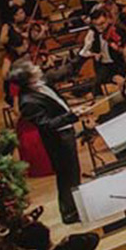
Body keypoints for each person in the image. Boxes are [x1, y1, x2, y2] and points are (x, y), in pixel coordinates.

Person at [8, 61, 84, 223]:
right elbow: (46, 125)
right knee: (66, 176)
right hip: (58, 140)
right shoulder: (27, 102)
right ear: (28, 78)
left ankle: (77, 204)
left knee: (74, 173)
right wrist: (72, 116)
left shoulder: (43, 81)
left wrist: (84, 53)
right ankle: (69, 213)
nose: (37, 67)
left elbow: (65, 71)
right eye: (33, 68)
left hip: (66, 131)